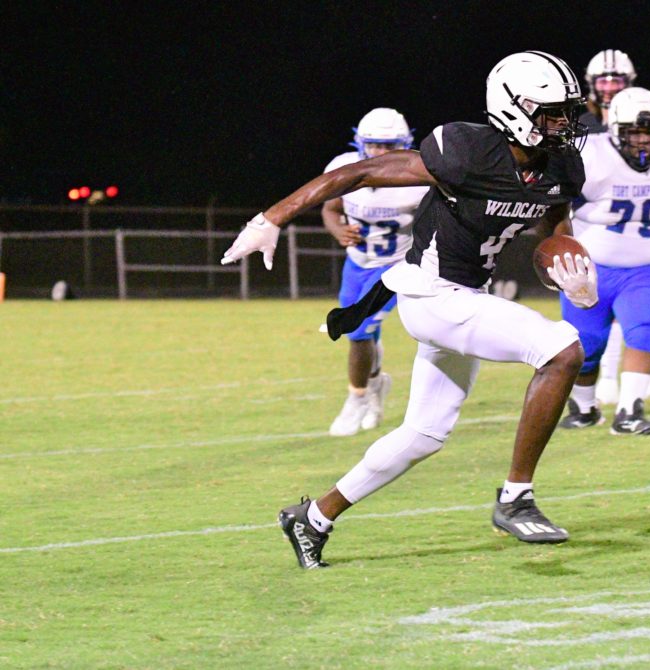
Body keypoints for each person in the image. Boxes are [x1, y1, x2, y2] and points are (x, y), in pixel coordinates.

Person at [221, 51, 597, 568]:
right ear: (513, 107)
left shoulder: (561, 166)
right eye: (551, 113)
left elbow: (552, 232)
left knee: (423, 435)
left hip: (468, 296)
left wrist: (569, 274)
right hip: (431, 295)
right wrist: (272, 218)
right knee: (562, 350)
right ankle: (516, 498)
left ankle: (313, 518)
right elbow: (362, 172)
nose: (564, 124)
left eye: (566, 112)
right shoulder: (467, 151)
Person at [557, 87, 650, 435]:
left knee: (643, 331)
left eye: (649, 132)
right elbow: (555, 207)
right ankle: (584, 408)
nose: (642, 141)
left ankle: (630, 411)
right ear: (614, 130)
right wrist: (563, 252)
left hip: (646, 267)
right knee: (586, 343)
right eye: (633, 132)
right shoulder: (589, 156)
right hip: (590, 268)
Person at [321, 108, 429, 436]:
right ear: (360, 143)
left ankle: (357, 397)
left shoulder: (419, 178)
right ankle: (376, 385)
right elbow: (330, 208)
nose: (381, 152)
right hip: (357, 264)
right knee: (364, 334)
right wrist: (339, 231)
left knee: (358, 329)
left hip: (395, 266)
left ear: (404, 145)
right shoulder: (343, 168)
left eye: (389, 145)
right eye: (374, 144)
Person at [576, 48, 650, 405]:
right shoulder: (581, 126)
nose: (611, 86)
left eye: (617, 80)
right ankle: (604, 377)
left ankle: (633, 373)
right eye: (604, 80)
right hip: (592, 225)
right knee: (595, 311)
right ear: (592, 84)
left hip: (634, 223)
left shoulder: (643, 118)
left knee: (636, 306)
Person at [578, 49, 636, 134]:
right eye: (603, 82)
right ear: (592, 84)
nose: (609, 88)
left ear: (628, 83)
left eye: (616, 81)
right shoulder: (584, 123)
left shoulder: (638, 120)